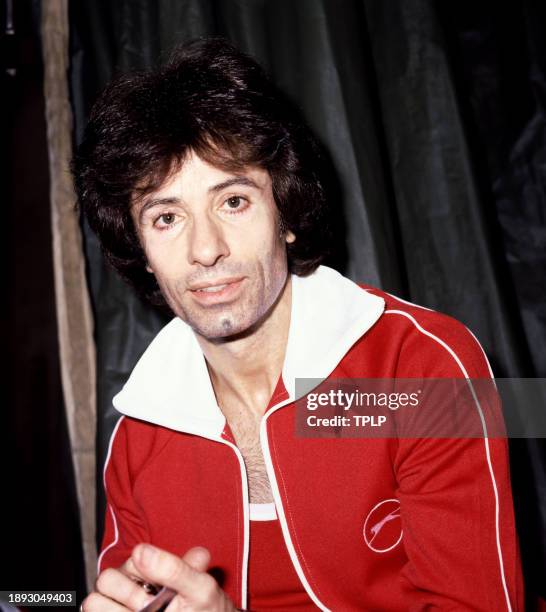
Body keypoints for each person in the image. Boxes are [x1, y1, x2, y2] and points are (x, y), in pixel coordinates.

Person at [73, 38, 523, 611]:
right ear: (141, 252)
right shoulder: (140, 435)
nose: (205, 249)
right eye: (166, 217)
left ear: (285, 213)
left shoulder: (422, 370)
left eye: (233, 201)